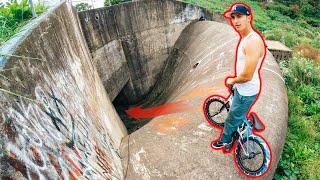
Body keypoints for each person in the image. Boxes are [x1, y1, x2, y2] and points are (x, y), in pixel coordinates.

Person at [211, 3, 266, 151]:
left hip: (246, 91)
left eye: (239, 16)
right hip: (243, 88)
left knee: (231, 120)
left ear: (249, 17)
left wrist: (232, 80)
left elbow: (247, 75)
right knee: (238, 113)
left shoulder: (252, 41)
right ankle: (244, 119)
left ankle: (225, 140)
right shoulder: (246, 37)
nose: (235, 21)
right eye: (233, 17)